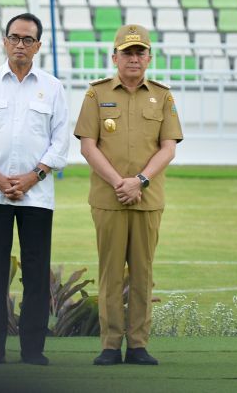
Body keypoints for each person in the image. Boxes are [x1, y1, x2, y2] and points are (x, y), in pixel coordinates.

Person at [74, 24, 182, 366]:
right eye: (127, 52)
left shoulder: (163, 96)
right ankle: (109, 345)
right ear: (114, 57)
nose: (133, 59)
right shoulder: (96, 94)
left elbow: (168, 148)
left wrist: (139, 181)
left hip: (147, 200)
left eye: (140, 52)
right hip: (109, 199)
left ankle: (137, 344)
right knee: (110, 273)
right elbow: (88, 146)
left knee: (142, 272)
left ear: (149, 58)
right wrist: (119, 182)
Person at [0, 13, 69, 366]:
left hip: (36, 195)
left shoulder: (53, 87)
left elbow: (60, 143)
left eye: (28, 39)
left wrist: (32, 176)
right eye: (14, 38)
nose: (20, 45)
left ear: (38, 45)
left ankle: (32, 350)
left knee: (37, 273)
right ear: (4, 41)